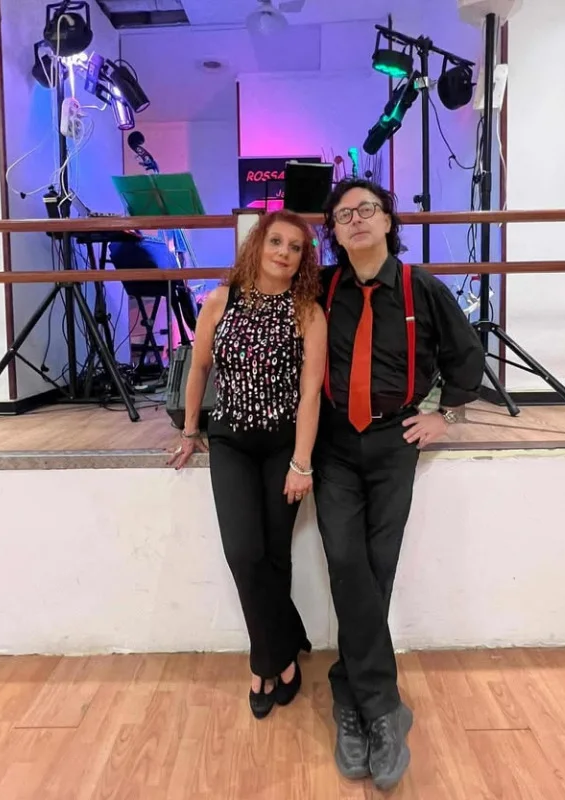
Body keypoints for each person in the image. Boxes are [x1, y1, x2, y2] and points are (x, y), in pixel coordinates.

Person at [314, 178, 486, 789]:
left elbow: (467, 357)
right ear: (333, 233)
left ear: (389, 221)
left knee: (377, 565)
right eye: (343, 215)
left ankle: (350, 693)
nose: (356, 219)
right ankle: (382, 708)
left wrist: (447, 415)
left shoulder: (423, 288)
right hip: (333, 444)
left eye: (367, 209)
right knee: (345, 560)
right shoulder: (321, 289)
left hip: (394, 442)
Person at [168, 210, 327, 719]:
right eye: (276, 241)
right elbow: (199, 368)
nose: (284, 252)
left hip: (283, 445)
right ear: (257, 245)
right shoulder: (221, 301)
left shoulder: (309, 312)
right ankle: (278, 653)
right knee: (244, 552)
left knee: (275, 556)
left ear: (304, 260)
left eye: (296, 247)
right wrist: (190, 430)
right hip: (231, 442)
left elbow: (310, 395)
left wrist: (302, 463)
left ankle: (268, 665)